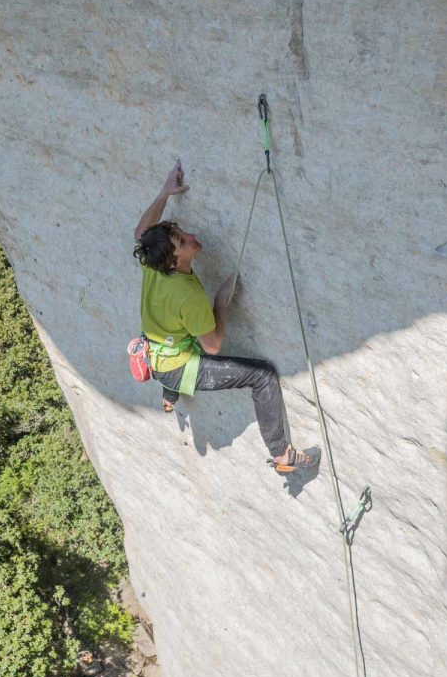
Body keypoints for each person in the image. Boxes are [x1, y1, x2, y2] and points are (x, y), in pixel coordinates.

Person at [133, 159, 319, 474]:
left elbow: (141, 232)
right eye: (182, 241)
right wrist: (220, 301)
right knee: (262, 376)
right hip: (179, 366)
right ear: (172, 261)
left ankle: (169, 399)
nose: (191, 237)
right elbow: (213, 345)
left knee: (172, 350)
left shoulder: (153, 262)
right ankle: (282, 453)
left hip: (157, 352)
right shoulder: (189, 297)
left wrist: (165, 192)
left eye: (181, 232)